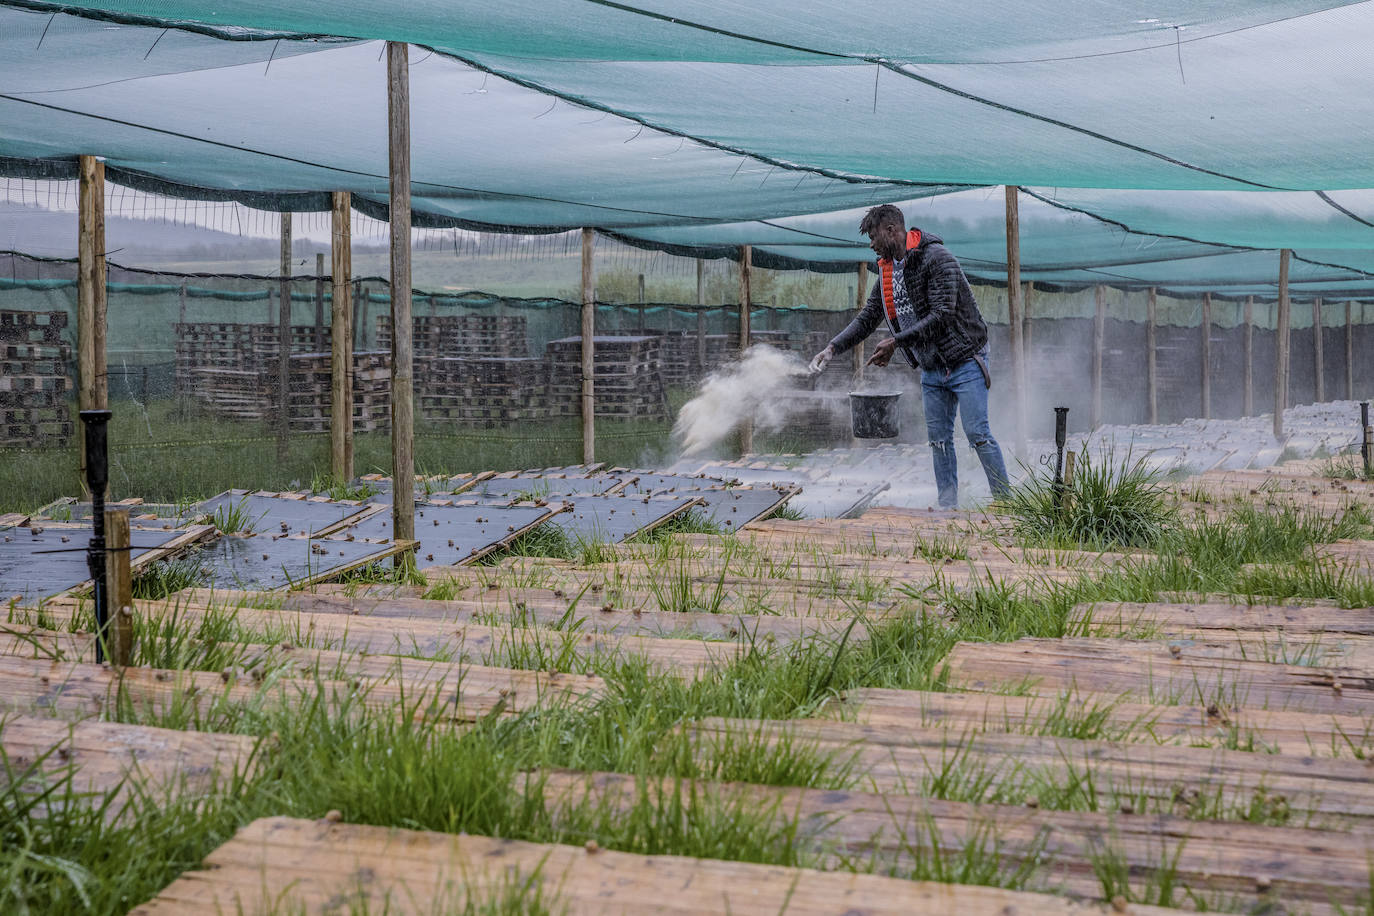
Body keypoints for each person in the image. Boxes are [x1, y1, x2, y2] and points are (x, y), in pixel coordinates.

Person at [809, 204, 1010, 509]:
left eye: (874, 236)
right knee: (939, 440)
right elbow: (867, 318)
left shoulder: (937, 259)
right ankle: (947, 507)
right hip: (931, 366)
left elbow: (942, 315)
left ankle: (1007, 505)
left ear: (892, 230)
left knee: (977, 433)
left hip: (966, 358)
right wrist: (833, 347)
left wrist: (896, 341)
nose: (872, 244)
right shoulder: (888, 273)